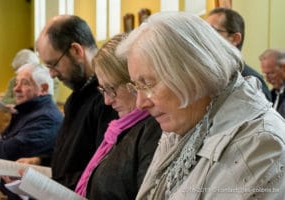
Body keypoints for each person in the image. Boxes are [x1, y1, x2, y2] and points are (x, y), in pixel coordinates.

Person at [116, 12, 285, 199]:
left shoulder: (262, 145)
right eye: (136, 86)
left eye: (148, 84)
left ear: (196, 72)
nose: (140, 104)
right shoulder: (184, 123)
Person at [17, 15, 118, 190]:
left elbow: (102, 172)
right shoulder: (77, 96)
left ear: (76, 51)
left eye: (53, 64)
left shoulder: (108, 100)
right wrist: (42, 161)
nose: (52, 74)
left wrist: (49, 185)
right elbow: (74, 155)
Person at [75, 34, 162, 199]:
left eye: (111, 88)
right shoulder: (119, 129)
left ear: (135, 81)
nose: (107, 100)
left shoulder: (154, 128)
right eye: (103, 90)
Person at [0, 63, 63, 199]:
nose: (16, 89)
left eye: (25, 83)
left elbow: (4, 153)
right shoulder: (27, 111)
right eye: (16, 83)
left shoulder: (46, 118)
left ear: (43, 88)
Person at [206, 7, 272, 101]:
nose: (204, 36)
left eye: (211, 31)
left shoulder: (250, 82)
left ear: (235, 38)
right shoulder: (209, 76)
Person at [259, 48, 285, 118]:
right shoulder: (272, 94)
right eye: (265, 74)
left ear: (284, 68)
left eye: (271, 74)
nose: (267, 79)